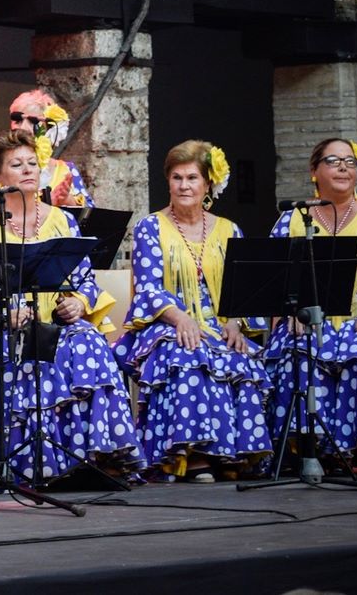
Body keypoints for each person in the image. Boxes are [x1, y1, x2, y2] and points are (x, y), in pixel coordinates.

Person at [0, 129, 140, 480]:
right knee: (34, 349)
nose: (27, 170)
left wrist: (78, 304)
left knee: (87, 342)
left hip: (56, 323)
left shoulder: (62, 220)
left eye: (32, 163)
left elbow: (84, 280)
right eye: (16, 164)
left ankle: (93, 458)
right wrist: (1, 316)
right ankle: (40, 463)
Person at [118, 140, 269, 480]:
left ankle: (231, 454)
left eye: (192, 178)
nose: (184, 186)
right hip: (165, 324)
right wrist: (180, 317)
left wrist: (234, 323)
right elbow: (149, 287)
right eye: (176, 178)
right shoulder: (150, 227)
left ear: (208, 184)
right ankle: (193, 454)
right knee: (188, 352)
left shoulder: (230, 229)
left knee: (238, 357)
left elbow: (242, 288)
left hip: (217, 324)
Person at [263, 139, 357, 468]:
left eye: (350, 162)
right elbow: (271, 276)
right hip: (306, 318)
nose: (343, 167)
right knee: (300, 352)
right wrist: (289, 311)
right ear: (315, 171)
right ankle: (313, 451)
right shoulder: (292, 220)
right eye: (333, 160)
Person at [7, 89, 93, 209]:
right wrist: (46, 202)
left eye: (33, 121)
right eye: (18, 120)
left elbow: (89, 213)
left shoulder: (66, 169)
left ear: (47, 128)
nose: (24, 127)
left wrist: (67, 200)